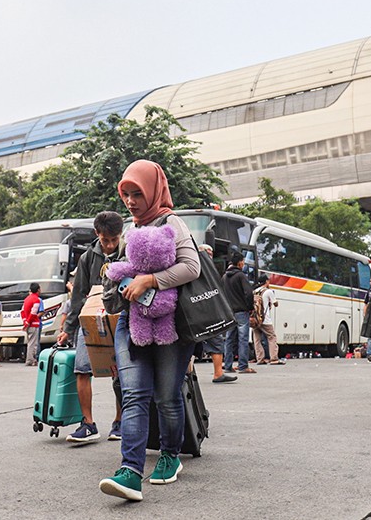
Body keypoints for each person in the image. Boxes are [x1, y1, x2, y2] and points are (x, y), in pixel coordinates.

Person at [98, 159, 200, 502]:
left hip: (171, 323)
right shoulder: (130, 228)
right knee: (134, 395)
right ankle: (129, 470)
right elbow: (129, 270)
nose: (130, 201)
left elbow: (192, 267)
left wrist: (151, 280)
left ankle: (170, 455)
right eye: (125, 194)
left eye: (136, 193)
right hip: (132, 321)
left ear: (154, 189)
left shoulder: (173, 222)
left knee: (167, 397)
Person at [57, 211, 125, 443]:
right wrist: (68, 327)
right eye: (106, 239)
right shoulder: (88, 258)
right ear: (97, 234)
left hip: (120, 317)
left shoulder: (127, 252)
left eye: (114, 239)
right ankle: (87, 424)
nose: (110, 244)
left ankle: (120, 422)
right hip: (90, 319)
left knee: (121, 373)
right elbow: (77, 295)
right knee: (82, 369)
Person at [197, 244, 236, 384]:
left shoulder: (190, 264)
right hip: (207, 310)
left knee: (191, 343)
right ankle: (218, 373)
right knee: (216, 339)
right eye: (209, 252)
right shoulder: (206, 268)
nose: (211, 255)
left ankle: (187, 374)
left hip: (195, 310)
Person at [222, 251, 257, 374]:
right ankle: (243, 366)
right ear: (240, 262)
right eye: (243, 261)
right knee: (243, 339)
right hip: (242, 311)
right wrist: (250, 307)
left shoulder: (225, 277)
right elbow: (248, 293)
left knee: (229, 339)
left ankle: (227, 366)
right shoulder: (241, 276)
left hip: (229, 312)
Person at [251, 273, 282, 365]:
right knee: (272, 337)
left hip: (255, 319)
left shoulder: (254, 291)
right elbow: (275, 303)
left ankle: (260, 359)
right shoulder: (268, 291)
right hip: (265, 320)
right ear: (266, 282)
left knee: (257, 339)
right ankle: (274, 359)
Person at [21, 283, 41, 366]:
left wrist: (25, 322)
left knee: (30, 342)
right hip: (33, 324)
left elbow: (22, 311)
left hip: (28, 323)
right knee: (33, 343)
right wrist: (28, 323)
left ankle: (32, 359)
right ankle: (30, 360)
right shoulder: (36, 300)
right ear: (38, 290)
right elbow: (34, 313)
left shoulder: (26, 299)